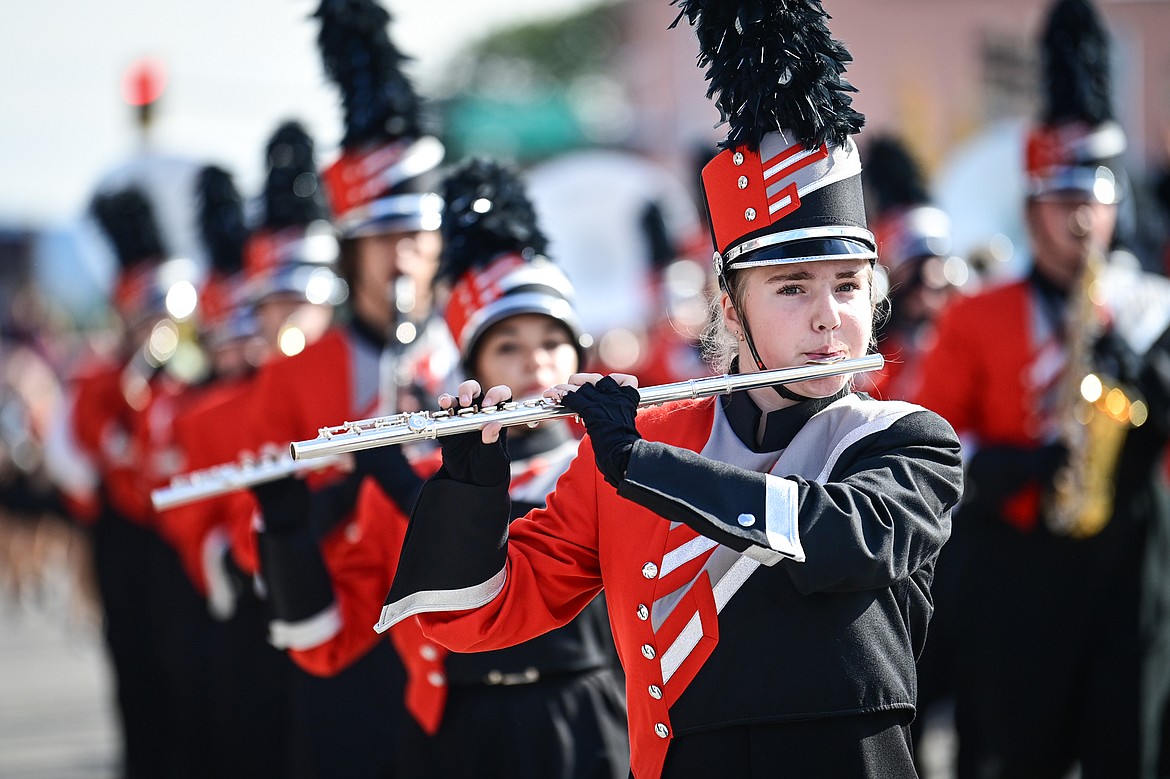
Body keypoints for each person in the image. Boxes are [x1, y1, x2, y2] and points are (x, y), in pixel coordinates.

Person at [378, 3, 963, 778]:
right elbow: (469, 618)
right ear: (730, 307)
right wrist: (472, 486)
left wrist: (640, 464)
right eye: (791, 288)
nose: (829, 318)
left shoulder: (907, 438)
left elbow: (842, 537)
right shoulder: (645, 444)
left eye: (848, 286)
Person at [913, 2, 1170, 777]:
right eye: (1062, 202)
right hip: (1018, 558)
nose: (1080, 218)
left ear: (1116, 202)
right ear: (1030, 209)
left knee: (1132, 745)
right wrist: (1009, 465)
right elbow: (938, 433)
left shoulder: (1152, 304)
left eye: (1092, 199)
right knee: (1017, 749)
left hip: (1129, 562)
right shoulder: (977, 314)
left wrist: (1149, 372)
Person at [861, 135, 967, 402]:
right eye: (916, 277)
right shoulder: (876, 360)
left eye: (936, 278)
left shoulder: (966, 340)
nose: (929, 293)